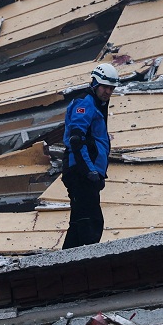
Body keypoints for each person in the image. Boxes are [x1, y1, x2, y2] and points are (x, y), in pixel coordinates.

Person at [61, 63, 117, 248]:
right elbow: (77, 139)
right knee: (91, 222)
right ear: (94, 84)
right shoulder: (85, 103)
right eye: (104, 87)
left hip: (85, 172)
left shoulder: (97, 105)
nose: (108, 91)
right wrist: (89, 171)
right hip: (80, 171)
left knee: (79, 221)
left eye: (111, 88)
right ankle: (84, 263)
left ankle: (66, 264)